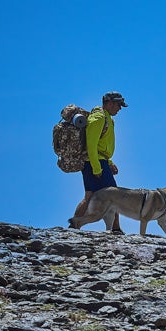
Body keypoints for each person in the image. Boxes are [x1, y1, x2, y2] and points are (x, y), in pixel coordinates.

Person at [73, 91, 127, 233]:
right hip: (94, 163)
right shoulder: (98, 118)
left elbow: (99, 147)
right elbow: (91, 145)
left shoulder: (107, 118)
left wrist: (109, 162)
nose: (120, 108)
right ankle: (115, 229)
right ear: (109, 103)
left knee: (91, 196)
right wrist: (97, 168)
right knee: (113, 196)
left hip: (99, 162)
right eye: (118, 105)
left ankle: (74, 226)